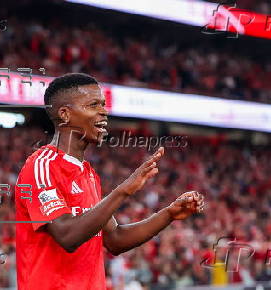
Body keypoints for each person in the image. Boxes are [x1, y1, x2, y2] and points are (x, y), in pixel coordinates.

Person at [15, 73, 204, 290]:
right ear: (65, 114)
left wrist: (168, 214)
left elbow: (115, 239)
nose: (103, 112)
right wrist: (123, 191)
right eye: (93, 104)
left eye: (103, 105)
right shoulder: (41, 166)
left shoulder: (88, 175)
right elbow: (67, 235)